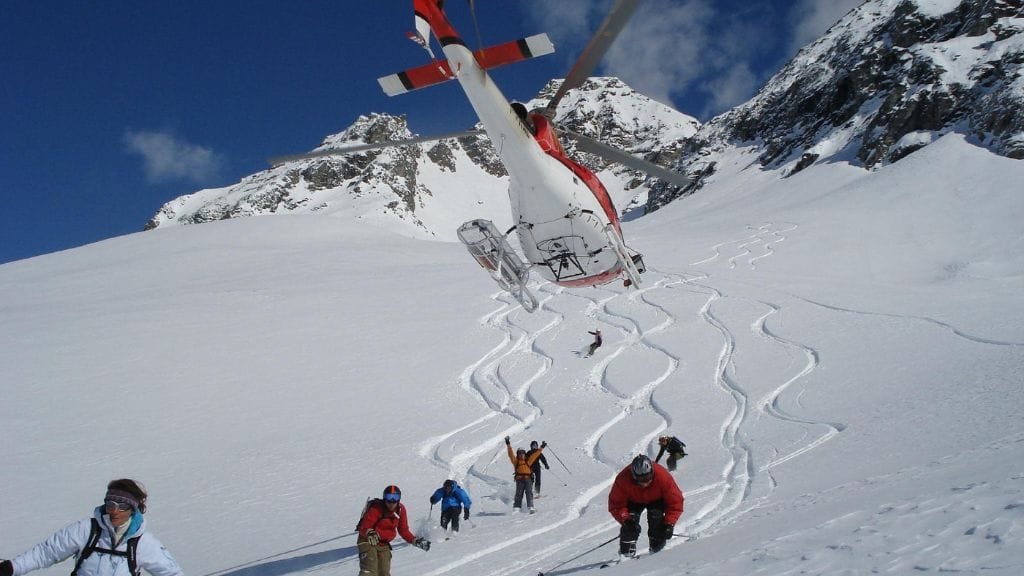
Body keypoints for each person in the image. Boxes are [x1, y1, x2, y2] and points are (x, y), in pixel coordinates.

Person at [0, 479, 182, 576]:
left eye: (122, 506)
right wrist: (11, 567)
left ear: (133, 510)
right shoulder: (87, 530)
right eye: (110, 504)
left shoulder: (142, 543)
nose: (115, 511)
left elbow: (171, 573)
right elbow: (46, 553)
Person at [607, 454, 684, 557]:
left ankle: (657, 552)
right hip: (634, 500)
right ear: (633, 476)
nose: (644, 483)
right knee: (630, 526)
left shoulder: (663, 477)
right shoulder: (623, 479)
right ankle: (626, 555)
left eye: (647, 478)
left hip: (656, 500)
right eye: (640, 479)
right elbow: (616, 504)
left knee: (657, 521)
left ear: (652, 472)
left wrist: (669, 523)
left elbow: (675, 502)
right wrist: (625, 519)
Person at [356, 485, 430, 576]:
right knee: (370, 571)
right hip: (368, 540)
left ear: (399, 499)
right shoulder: (376, 508)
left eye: (395, 498)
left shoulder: (400, 510)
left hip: (383, 544)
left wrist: (415, 540)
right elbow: (364, 526)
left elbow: (403, 530)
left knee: (384, 573)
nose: (391, 502)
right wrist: (369, 532)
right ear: (384, 498)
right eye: (388, 498)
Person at [505, 436, 545, 513]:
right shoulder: (515, 462)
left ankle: (530, 507)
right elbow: (510, 454)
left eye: (523, 453)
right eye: (520, 453)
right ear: (518, 454)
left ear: (525, 454)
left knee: (529, 492)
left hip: (528, 479)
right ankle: (516, 508)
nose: (521, 455)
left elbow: (536, 454)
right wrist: (508, 444)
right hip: (519, 479)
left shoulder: (528, 461)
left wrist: (541, 447)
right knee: (519, 493)